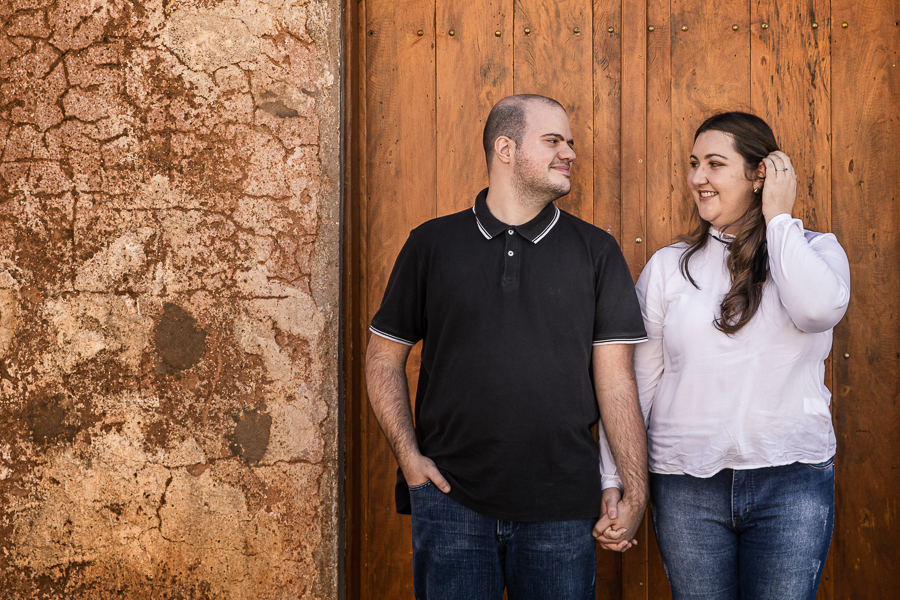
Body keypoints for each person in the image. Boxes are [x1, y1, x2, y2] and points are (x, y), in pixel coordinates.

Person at [365, 94, 650, 599]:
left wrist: (635, 488)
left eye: (570, 142)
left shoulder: (595, 251)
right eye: (553, 141)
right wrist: (410, 459)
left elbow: (616, 379)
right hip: (451, 501)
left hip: (562, 507)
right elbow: (383, 359)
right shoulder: (432, 244)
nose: (570, 153)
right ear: (506, 148)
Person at [600, 112, 850, 599]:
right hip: (685, 485)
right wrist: (618, 478)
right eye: (694, 164)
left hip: (792, 478)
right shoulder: (669, 267)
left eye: (715, 164)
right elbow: (635, 385)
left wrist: (779, 219)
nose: (697, 178)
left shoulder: (816, 252)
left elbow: (818, 310)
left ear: (761, 175)